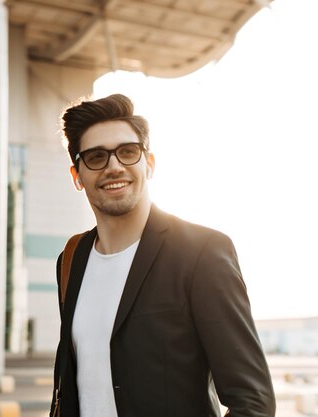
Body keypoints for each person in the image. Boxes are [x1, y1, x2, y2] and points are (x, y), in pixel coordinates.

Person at [50, 94, 275, 417]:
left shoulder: (201, 252)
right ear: (77, 176)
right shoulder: (72, 258)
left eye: (128, 152)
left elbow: (253, 401)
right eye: (96, 157)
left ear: (149, 164)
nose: (114, 166)